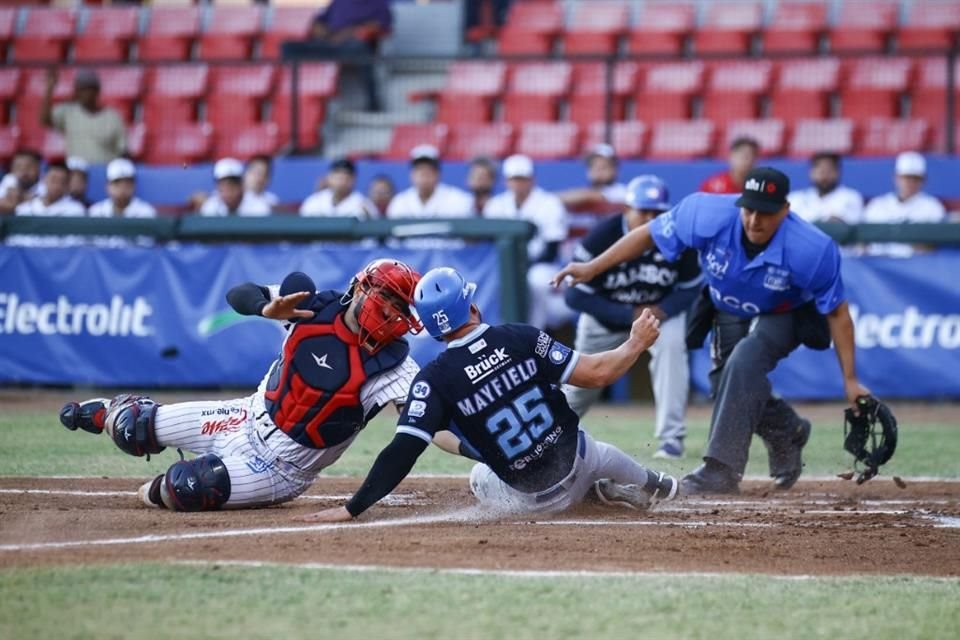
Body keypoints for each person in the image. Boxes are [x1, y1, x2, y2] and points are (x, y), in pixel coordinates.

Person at [553, 167, 870, 495]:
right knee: (725, 384)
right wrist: (593, 267)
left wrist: (849, 379)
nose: (754, 220)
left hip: (783, 311)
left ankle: (720, 470)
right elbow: (649, 233)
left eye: (766, 212)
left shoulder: (813, 249)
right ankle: (786, 430)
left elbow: (838, 313)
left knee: (746, 359)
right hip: (728, 305)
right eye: (749, 209)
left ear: (786, 211)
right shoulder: (704, 212)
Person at [296, 267, 678, 523]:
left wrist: (353, 507)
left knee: (480, 474)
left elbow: (402, 451)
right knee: (596, 449)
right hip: (583, 461)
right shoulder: (520, 336)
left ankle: (599, 493)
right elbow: (598, 374)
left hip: (536, 502)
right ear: (472, 305)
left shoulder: (432, 380)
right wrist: (635, 343)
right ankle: (653, 482)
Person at [58, 260, 426, 512]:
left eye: (401, 306)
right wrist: (265, 308)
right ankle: (108, 413)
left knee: (184, 487)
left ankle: (164, 485)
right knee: (132, 426)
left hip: (282, 469)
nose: (393, 312)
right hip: (242, 416)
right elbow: (238, 294)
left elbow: (427, 422)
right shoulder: (310, 306)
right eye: (388, 298)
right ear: (361, 289)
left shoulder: (396, 366)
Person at [563, 176, 702, 459]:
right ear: (627, 208)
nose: (650, 217)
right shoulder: (603, 235)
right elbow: (575, 296)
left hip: (656, 317)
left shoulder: (677, 238)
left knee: (673, 348)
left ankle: (671, 439)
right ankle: (549, 434)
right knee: (579, 388)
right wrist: (628, 314)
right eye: (643, 210)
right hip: (606, 319)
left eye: (657, 212)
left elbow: (690, 289)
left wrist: (664, 310)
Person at [484, 154, 571, 330]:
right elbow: (487, 245)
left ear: (532, 179)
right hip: (502, 265)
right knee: (489, 282)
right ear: (506, 181)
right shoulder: (495, 205)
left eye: (522, 178)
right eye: (514, 179)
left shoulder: (549, 203)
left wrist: (521, 268)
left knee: (535, 281)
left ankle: (532, 333)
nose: (518, 183)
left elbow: (551, 250)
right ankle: (495, 332)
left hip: (540, 264)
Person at [307, 0, 392, 111]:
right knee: (290, 48)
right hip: (329, 43)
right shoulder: (339, 2)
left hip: (357, 47)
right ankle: (306, 101)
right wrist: (323, 32)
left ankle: (373, 103)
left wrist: (350, 33)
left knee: (360, 49)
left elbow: (382, 26)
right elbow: (318, 22)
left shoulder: (378, 3)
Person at [863, 151, 946, 257]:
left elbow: (931, 246)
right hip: (877, 267)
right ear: (896, 178)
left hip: (913, 268)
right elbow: (863, 243)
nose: (910, 182)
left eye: (915, 178)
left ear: (923, 180)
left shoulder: (933, 207)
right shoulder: (877, 205)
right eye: (906, 177)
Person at [41, 69, 126, 164]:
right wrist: (49, 88)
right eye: (80, 89)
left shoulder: (113, 116)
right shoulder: (68, 111)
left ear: (97, 90)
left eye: (88, 89)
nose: (85, 94)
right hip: (76, 171)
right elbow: (45, 120)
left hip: (104, 169)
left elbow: (122, 148)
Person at [387, 145, 473, 218]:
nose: (424, 174)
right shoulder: (399, 202)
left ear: (438, 174)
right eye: (419, 169)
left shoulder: (458, 200)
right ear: (411, 174)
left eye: (429, 170)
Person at [787, 152, 864, 225]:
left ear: (838, 172)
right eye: (821, 171)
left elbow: (852, 228)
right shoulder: (795, 198)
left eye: (829, 170)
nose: (825, 176)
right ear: (811, 173)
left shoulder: (851, 197)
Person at [300, 158, 377, 218]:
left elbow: (372, 236)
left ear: (354, 180)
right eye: (338, 176)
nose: (342, 181)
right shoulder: (314, 201)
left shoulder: (364, 204)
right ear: (329, 177)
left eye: (346, 177)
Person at [558, 143, 628, 210]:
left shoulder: (621, 191)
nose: (597, 171)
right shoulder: (581, 198)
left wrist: (550, 199)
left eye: (603, 166)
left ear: (614, 170)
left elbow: (589, 196)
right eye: (593, 166)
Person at [200, 158, 273, 217]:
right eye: (223, 185)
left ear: (241, 185)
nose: (227, 191)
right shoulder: (211, 205)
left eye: (232, 185)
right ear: (217, 187)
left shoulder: (259, 207)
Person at [88, 158, 157, 218]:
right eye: (117, 182)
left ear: (134, 185)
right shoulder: (96, 211)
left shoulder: (146, 212)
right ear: (107, 186)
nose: (123, 187)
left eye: (127, 182)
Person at [15, 161, 85, 217]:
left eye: (62, 182)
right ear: (44, 179)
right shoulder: (25, 208)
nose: (57, 186)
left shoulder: (75, 210)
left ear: (67, 186)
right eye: (53, 180)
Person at [0, 148, 42, 215]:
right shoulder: (9, 179)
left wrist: (17, 198)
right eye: (18, 167)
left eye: (29, 166)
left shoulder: (46, 183)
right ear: (12, 169)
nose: (24, 171)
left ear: (38, 167)